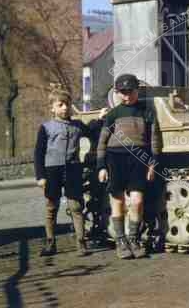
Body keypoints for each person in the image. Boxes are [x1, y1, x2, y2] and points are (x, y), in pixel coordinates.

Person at [96, 74, 162, 259]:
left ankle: (134, 238)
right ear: (117, 93)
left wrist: (152, 163)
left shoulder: (147, 112)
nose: (126, 96)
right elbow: (102, 141)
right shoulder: (113, 114)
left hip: (138, 161)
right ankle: (120, 241)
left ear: (137, 91)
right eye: (122, 93)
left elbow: (155, 140)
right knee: (117, 202)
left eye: (130, 92)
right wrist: (101, 166)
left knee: (137, 201)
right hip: (115, 160)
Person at [34, 86, 104, 257]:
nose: (65, 108)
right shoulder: (46, 127)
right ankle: (50, 243)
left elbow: (92, 130)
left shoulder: (77, 125)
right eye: (60, 105)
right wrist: (40, 176)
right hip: (52, 170)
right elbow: (38, 153)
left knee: (76, 206)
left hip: (73, 169)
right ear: (52, 107)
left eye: (67, 104)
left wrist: (100, 119)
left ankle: (81, 243)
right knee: (52, 206)